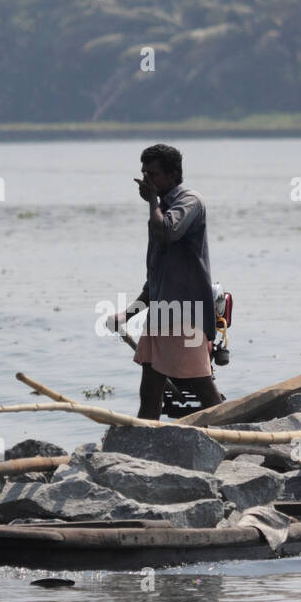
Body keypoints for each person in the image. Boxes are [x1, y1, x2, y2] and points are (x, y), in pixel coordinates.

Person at [109, 143, 223, 419]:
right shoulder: (161, 209)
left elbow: (167, 233)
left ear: (173, 175)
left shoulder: (189, 201)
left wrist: (151, 203)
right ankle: (141, 446)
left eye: (154, 174)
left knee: (204, 391)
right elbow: (155, 283)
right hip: (161, 317)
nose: (146, 180)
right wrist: (127, 314)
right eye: (144, 173)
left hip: (185, 316)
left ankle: (236, 436)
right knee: (150, 394)